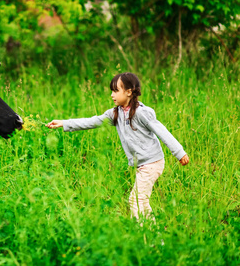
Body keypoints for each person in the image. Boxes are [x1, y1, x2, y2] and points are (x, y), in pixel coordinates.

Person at [47, 72, 189, 222]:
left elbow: (162, 132)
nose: (111, 95)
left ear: (129, 92)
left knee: (136, 201)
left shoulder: (141, 113)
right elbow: (92, 121)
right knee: (142, 202)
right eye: (112, 91)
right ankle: (154, 237)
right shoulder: (116, 113)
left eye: (116, 90)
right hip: (143, 164)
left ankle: (146, 236)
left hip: (152, 163)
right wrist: (64, 123)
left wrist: (179, 153)